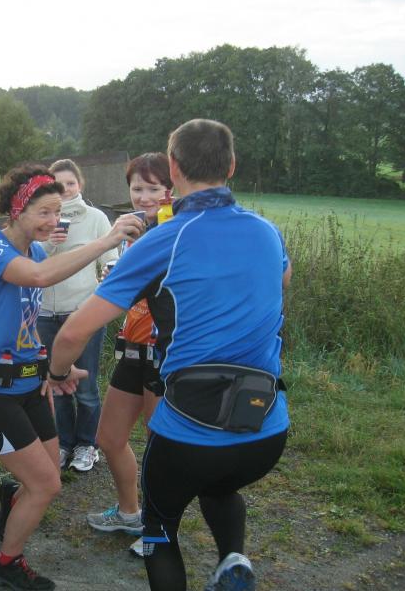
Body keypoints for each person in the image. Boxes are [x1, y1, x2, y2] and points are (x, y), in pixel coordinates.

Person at [49, 119, 292, 591]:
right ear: (231, 166)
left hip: (188, 432)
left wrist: (59, 372)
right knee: (221, 484)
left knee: (159, 529)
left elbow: (75, 330)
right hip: (264, 429)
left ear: (174, 169)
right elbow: (282, 281)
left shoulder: (165, 238)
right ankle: (233, 559)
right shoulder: (267, 231)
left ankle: (173, 538)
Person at [0, 165, 141, 590]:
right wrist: (108, 240)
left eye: (57, 212)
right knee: (43, 486)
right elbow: (40, 278)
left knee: (50, 481)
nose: (53, 221)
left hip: (30, 384)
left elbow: (27, 321)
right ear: (17, 211)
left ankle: (13, 496)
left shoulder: (37, 252)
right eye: (44, 212)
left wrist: (49, 368)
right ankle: (5, 563)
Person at [84, 152, 172, 550]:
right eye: (137, 188)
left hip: (162, 350)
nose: (144, 196)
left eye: (154, 188)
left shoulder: (173, 229)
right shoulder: (134, 228)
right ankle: (129, 512)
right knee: (109, 437)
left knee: (159, 445)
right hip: (132, 345)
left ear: (171, 189)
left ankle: (159, 526)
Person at [37, 159, 118, 472]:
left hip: (83, 312)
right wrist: (49, 243)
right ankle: (63, 443)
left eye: (70, 183)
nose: (65, 189)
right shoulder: (40, 217)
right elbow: (29, 261)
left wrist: (108, 273)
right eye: (58, 185)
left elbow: (111, 257)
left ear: (80, 185)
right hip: (45, 313)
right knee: (56, 383)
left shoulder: (96, 218)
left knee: (85, 385)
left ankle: (87, 444)